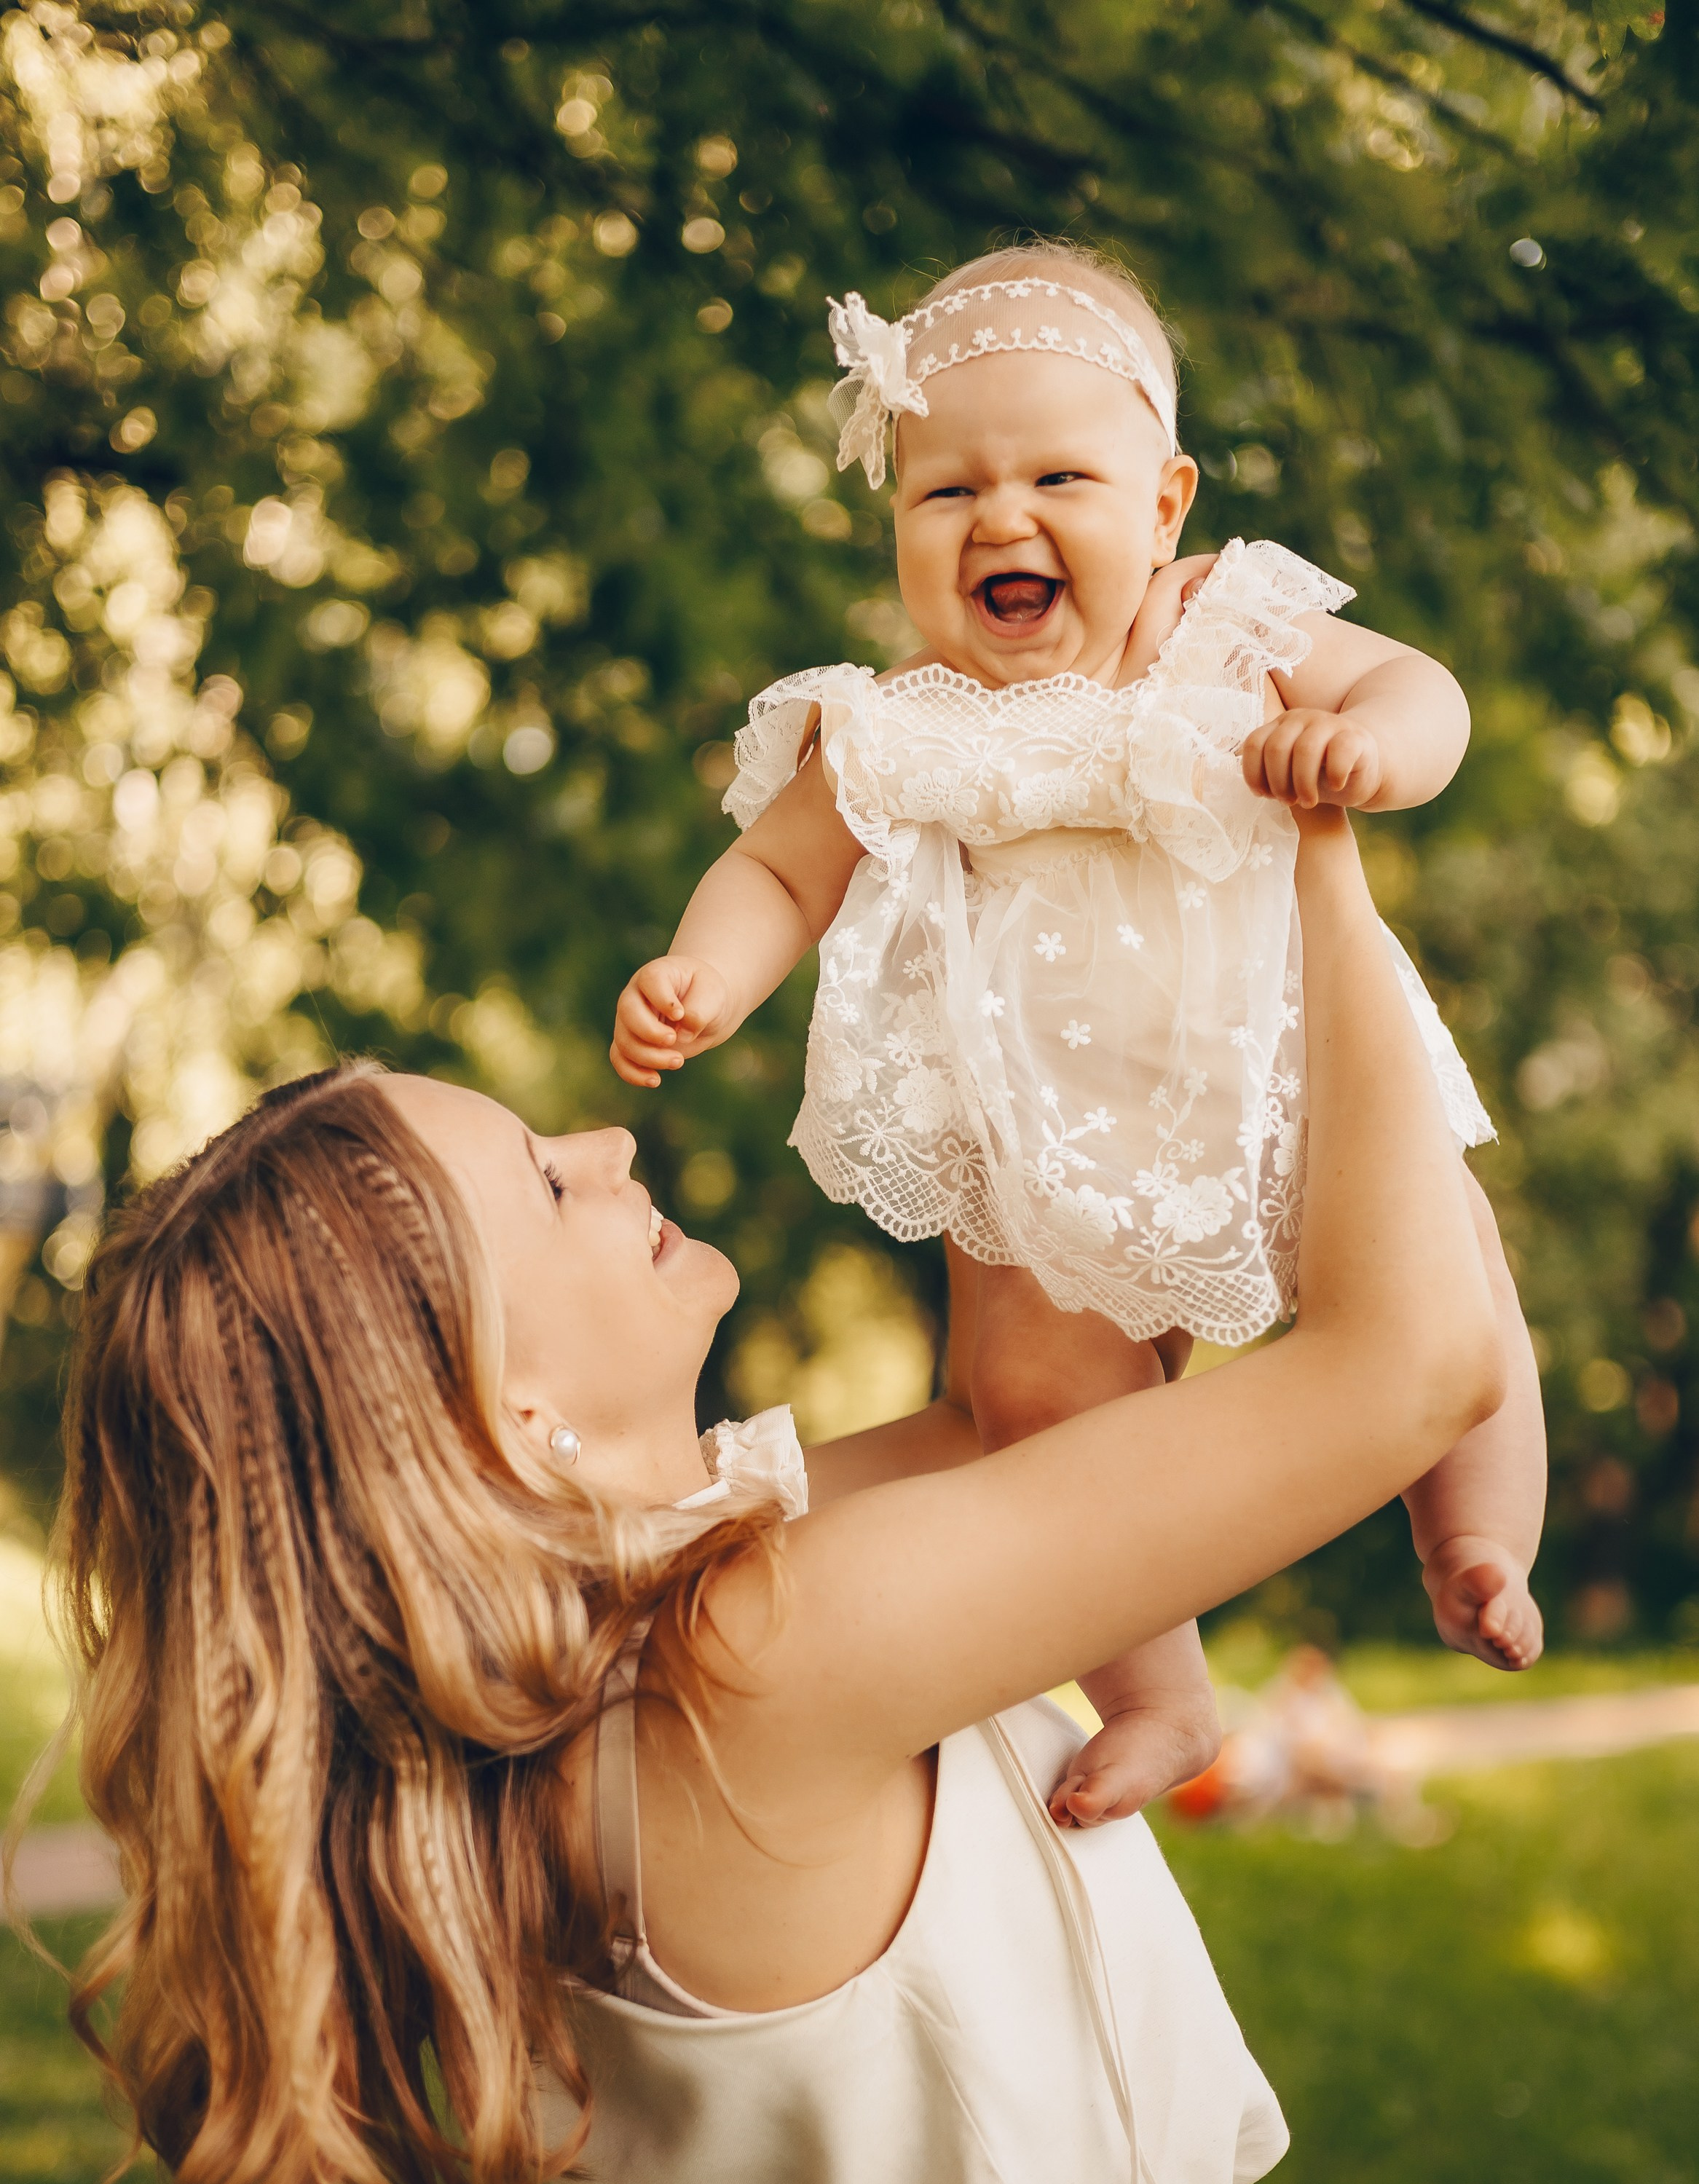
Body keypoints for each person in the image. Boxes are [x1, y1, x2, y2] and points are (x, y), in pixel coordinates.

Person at [31, 813, 1502, 2184]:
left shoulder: (624, 1650)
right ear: (508, 1414)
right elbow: (1412, 1366)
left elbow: (1007, 1407)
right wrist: (1314, 854)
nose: (603, 1135)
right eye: (546, 1181)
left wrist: (1001, 877)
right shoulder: (750, 1668)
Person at [611, 241, 1547, 1831]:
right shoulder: (904, 718)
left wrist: (1371, 742)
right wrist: (704, 971)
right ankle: (1156, 1681)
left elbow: (1424, 689)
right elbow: (777, 866)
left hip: (1288, 1072)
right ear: (896, 521)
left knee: (1443, 1252)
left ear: (1166, 503)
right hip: (1043, 1136)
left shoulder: (1225, 625)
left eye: (1060, 475)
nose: (1002, 517)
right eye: (946, 491)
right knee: (1035, 1393)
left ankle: (1478, 1534)